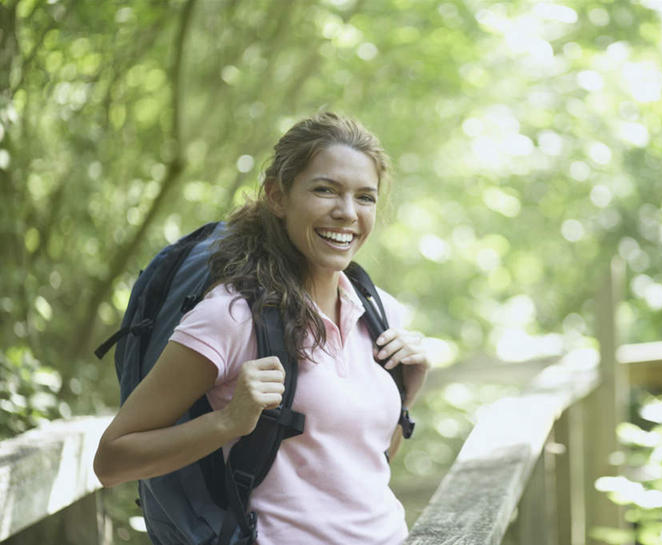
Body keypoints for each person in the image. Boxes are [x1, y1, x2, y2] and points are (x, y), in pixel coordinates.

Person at [93, 112, 429, 544]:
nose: (347, 213)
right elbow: (111, 462)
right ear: (277, 196)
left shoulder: (382, 311)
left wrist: (406, 392)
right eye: (325, 190)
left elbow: (365, 463)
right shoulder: (231, 315)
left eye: (365, 197)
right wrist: (228, 422)